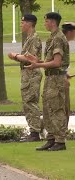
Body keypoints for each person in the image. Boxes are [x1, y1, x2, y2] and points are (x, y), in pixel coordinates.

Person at [25, 12, 69, 151]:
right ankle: (51, 139)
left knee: (57, 109)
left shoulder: (58, 39)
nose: (44, 24)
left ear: (52, 22)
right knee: (48, 108)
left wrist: (37, 65)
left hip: (56, 78)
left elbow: (57, 62)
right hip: (50, 78)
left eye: (46, 21)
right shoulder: (52, 38)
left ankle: (60, 141)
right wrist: (37, 61)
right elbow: (51, 62)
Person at [7, 14, 43, 141]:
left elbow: (31, 57)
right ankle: (35, 130)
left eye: (22, 23)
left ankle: (35, 133)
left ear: (29, 23)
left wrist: (15, 56)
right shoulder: (29, 38)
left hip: (31, 74)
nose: (21, 25)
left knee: (30, 102)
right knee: (28, 103)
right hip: (28, 74)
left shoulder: (34, 38)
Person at [61, 22, 75, 124]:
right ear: (70, 32)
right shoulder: (62, 43)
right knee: (64, 108)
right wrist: (63, 76)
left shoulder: (62, 42)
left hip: (62, 76)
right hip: (60, 80)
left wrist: (65, 73)